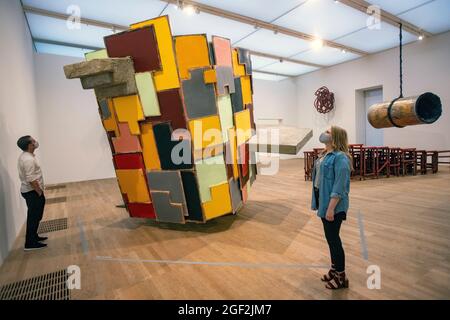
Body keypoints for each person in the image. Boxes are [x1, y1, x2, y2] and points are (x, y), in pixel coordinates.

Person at [311, 126, 352, 290]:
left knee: (334, 241)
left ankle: (341, 277)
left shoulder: (341, 158)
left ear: (335, 138)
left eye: (328, 132)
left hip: (334, 206)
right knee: (330, 239)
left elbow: (340, 186)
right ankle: (334, 270)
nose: (324, 133)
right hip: (324, 203)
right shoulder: (324, 154)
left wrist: (330, 208)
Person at [17, 135, 48, 251]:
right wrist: (39, 192)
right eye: (33, 141)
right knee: (34, 217)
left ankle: (34, 237)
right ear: (30, 145)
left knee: (35, 216)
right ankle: (30, 243)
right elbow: (31, 179)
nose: (36, 141)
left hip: (31, 192)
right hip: (32, 192)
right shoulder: (28, 160)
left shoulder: (27, 156)